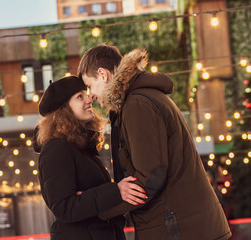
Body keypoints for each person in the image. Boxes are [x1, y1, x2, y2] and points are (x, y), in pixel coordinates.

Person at [77, 44, 232, 240]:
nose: (91, 95)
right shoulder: (141, 99)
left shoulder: (137, 104)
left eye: (89, 85)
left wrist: (99, 209)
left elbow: (150, 177)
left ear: (103, 74)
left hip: (179, 228)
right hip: (184, 226)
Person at [34, 76, 147, 240]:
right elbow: (64, 208)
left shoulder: (81, 147)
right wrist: (115, 191)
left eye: (85, 94)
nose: (89, 100)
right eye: (79, 97)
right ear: (63, 110)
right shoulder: (56, 148)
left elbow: (87, 203)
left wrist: (90, 196)